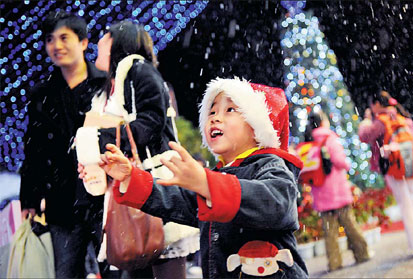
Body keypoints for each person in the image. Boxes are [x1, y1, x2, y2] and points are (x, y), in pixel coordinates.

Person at [79, 77, 309, 278]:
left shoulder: (271, 165)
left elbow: (277, 203)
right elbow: (176, 198)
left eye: (230, 110)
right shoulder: (219, 175)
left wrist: (208, 185)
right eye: (211, 111)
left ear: (259, 126)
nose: (215, 118)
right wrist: (131, 178)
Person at [89, 20, 199, 278]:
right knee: (146, 264)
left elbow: (151, 120)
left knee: (163, 264)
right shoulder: (122, 79)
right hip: (143, 178)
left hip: (154, 178)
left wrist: (106, 141)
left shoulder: (136, 69)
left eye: (104, 38)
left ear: (120, 42)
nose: (98, 44)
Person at [19, 11, 107, 278]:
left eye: (64, 37)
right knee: (65, 272)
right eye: (50, 39)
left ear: (82, 42)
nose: (56, 46)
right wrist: (30, 198)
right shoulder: (41, 94)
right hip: (62, 201)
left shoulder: (105, 84)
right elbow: (33, 148)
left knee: (114, 268)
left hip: (104, 198)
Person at [358, 90, 413, 257]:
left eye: (372, 105)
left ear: (377, 105)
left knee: (406, 205)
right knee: (409, 199)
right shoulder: (403, 117)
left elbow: (364, 136)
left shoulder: (381, 121)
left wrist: (365, 120)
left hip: (393, 166)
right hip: (411, 164)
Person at [302, 109, 370, 271]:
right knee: (350, 225)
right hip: (337, 191)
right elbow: (340, 161)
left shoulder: (308, 141)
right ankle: (362, 254)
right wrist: (347, 165)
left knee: (330, 231)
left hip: (320, 193)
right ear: (323, 122)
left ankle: (334, 262)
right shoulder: (329, 138)